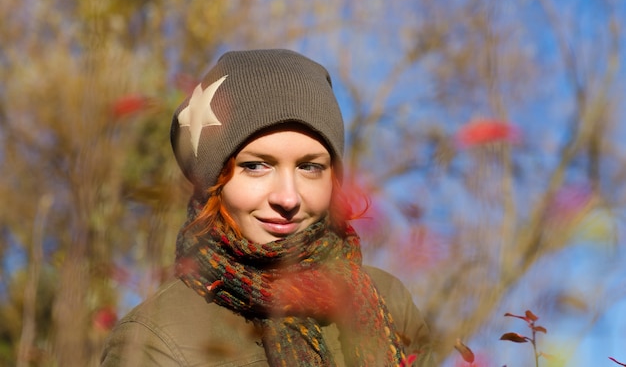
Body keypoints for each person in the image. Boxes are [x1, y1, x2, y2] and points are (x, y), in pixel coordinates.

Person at [101, 49, 433, 366]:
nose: (288, 198)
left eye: (309, 167)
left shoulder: (387, 300)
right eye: (256, 166)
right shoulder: (155, 339)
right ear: (213, 181)